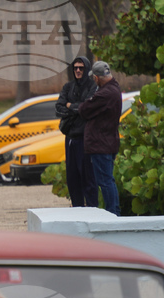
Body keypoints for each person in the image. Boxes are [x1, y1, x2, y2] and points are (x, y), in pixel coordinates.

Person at [78, 61, 122, 216]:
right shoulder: (114, 88)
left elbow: (84, 110)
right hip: (108, 142)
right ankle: (114, 211)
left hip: (101, 144)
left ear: (97, 77)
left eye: (94, 78)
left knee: (105, 181)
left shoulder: (104, 94)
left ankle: (112, 213)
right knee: (108, 180)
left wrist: (88, 101)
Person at [56, 56, 98, 208]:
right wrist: (75, 108)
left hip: (85, 138)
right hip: (70, 137)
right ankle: (77, 208)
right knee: (72, 178)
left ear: (86, 69)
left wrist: (70, 106)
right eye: (75, 68)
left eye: (81, 68)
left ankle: (93, 210)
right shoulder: (68, 87)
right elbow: (59, 108)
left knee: (87, 177)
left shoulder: (93, 86)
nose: (78, 71)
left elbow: (86, 108)